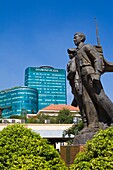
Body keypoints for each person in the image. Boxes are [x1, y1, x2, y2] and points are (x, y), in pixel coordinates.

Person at [71, 32, 113, 127]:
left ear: (81, 38)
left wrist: (97, 73)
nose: (74, 39)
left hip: (89, 72)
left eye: (75, 37)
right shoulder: (77, 52)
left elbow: (97, 58)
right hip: (81, 76)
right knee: (87, 100)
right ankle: (93, 124)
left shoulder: (87, 47)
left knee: (99, 96)